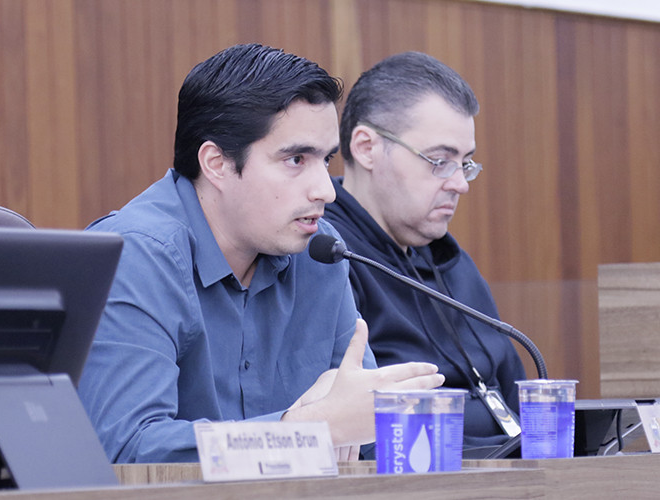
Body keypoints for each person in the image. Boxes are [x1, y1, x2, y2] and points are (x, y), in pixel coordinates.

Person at [77, 44, 445, 463]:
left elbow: (366, 431)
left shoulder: (318, 251)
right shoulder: (137, 257)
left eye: (326, 160)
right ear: (216, 163)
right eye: (296, 159)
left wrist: (351, 421)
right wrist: (307, 430)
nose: (326, 190)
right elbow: (127, 451)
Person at [324, 52, 526, 449]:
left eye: (465, 164)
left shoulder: (452, 261)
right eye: (440, 161)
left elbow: (517, 394)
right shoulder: (329, 257)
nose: (460, 184)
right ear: (366, 148)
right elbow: (365, 440)